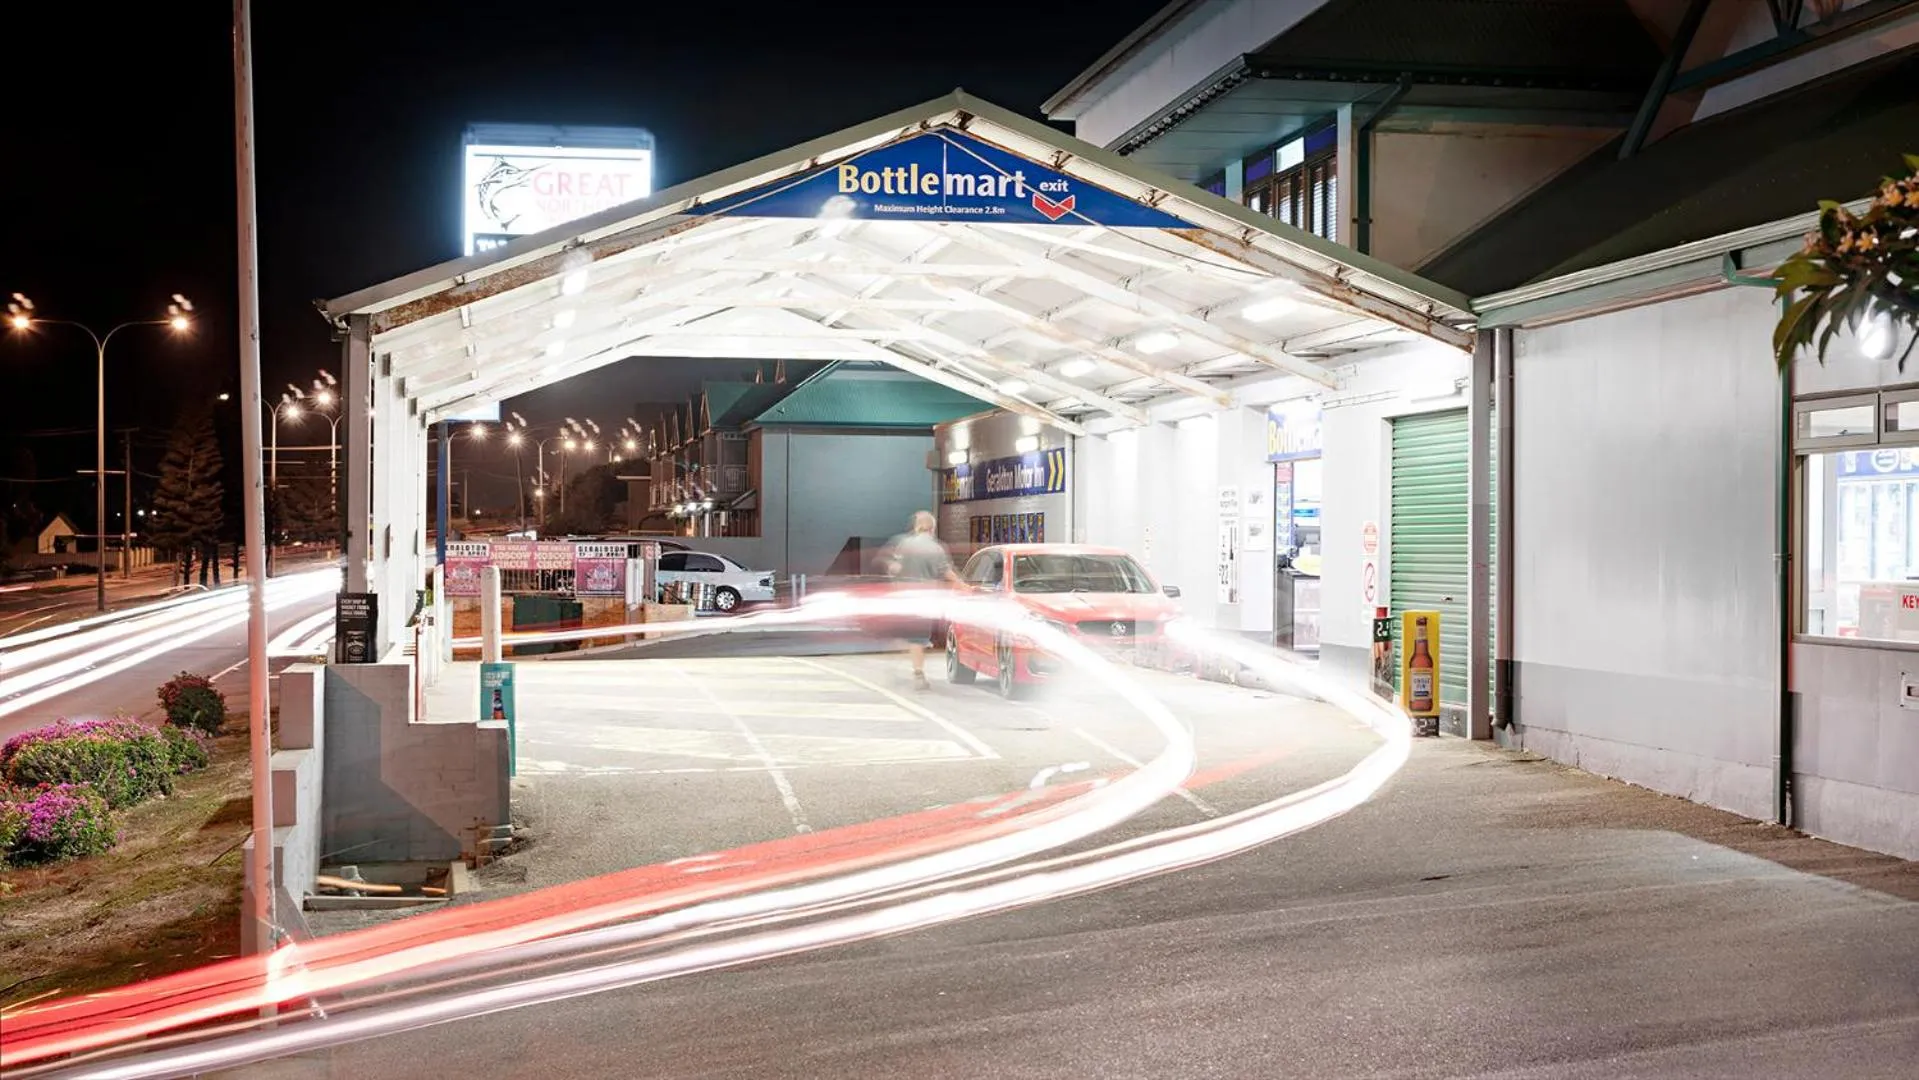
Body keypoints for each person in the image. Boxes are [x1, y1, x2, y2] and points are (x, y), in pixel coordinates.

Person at [882, 510, 960, 690]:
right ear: (932, 528)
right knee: (917, 639)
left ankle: (905, 653)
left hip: (903, 598)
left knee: (911, 636)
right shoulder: (936, 548)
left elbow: (894, 568)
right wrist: (963, 585)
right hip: (924, 599)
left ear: (917, 527)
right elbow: (946, 572)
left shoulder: (904, 544)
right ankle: (918, 673)